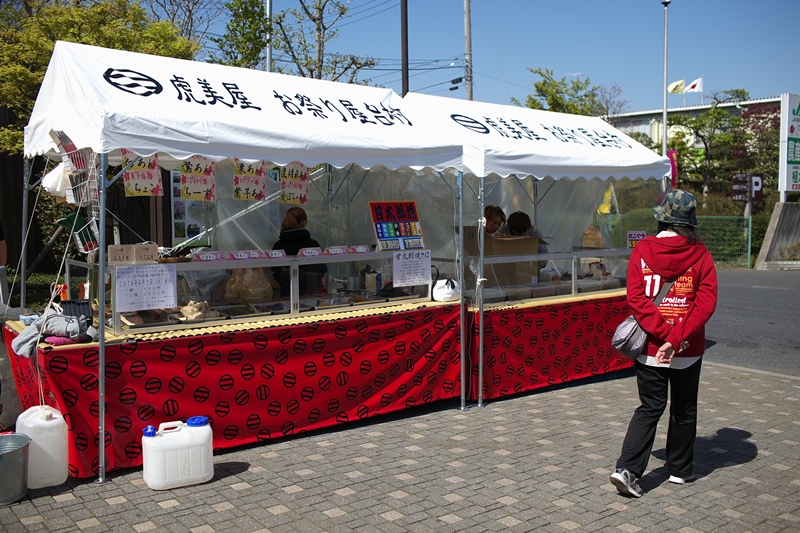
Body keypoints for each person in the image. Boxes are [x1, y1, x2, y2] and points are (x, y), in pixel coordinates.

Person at [610, 189, 718, 498]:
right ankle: (680, 471)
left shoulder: (642, 249)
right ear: (689, 222)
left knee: (650, 407)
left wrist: (661, 336)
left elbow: (636, 298)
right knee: (683, 408)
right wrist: (677, 337)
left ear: (662, 218)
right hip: (688, 348)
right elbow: (706, 303)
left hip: (649, 347)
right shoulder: (702, 254)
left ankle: (627, 469)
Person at [272, 207, 327, 297]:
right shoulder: (312, 245)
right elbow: (321, 270)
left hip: (284, 295)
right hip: (309, 295)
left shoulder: (278, 246)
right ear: (304, 223)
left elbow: (274, 273)